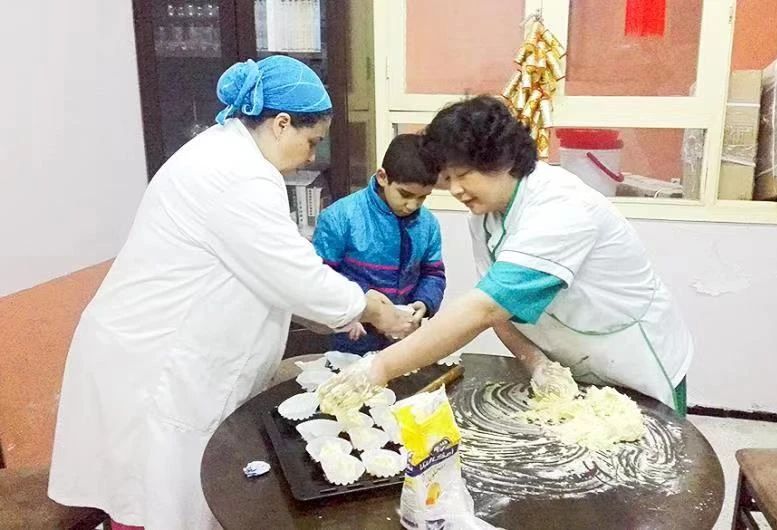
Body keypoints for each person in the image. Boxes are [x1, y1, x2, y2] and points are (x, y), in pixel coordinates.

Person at [47, 56, 413, 530]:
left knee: (157, 494)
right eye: (311, 141)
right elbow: (291, 274)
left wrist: (340, 308)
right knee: (154, 497)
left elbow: (274, 258)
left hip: (154, 353)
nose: (310, 157)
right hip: (155, 362)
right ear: (281, 124)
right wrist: (370, 308)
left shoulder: (226, 155)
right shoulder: (237, 174)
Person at [319, 95, 693, 416]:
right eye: (449, 178)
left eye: (464, 174)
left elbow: (484, 309)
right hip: (571, 357)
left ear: (504, 160)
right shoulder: (484, 218)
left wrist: (379, 368)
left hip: (630, 358)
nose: (456, 190)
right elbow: (499, 313)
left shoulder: (561, 209)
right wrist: (537, 362)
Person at [312, 133, 446, 354]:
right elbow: (321, 278)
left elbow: (433, 274)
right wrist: (359, 308)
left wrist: (424, 302)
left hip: (404, 337)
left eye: (422, 197)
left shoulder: (428, 224)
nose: (412, 205)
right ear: (383, 177)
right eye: (405, 194)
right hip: (353, 336)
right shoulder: (340, 217)